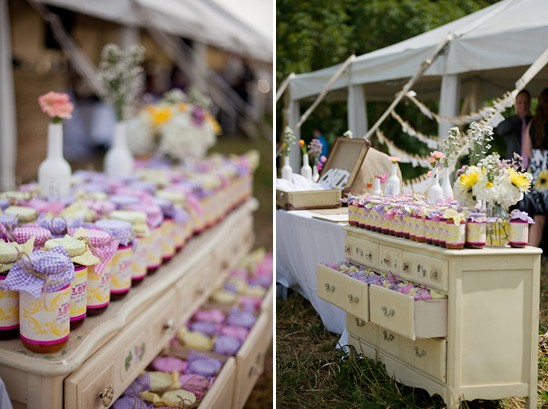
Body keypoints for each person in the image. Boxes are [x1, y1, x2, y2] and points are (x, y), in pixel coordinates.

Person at [521, 87, 548, 247]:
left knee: (537, 219)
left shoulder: (533, 123)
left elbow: (526, 150)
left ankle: (531, 255)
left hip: (538, 175)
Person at [496, 89, 532, 166]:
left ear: (529, 104)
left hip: (531, 164)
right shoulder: (511, 121)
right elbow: (500, 130)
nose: (523, 106)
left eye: (526, 103)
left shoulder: (534, 122)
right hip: (513, 165)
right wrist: (518, 117)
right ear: (515, 104)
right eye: (520, 102)